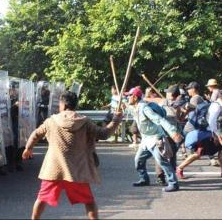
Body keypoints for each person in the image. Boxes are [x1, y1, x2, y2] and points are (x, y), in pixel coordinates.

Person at [22, 91, 121, 220]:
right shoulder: (85, 122)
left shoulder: (51, 121)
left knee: (42, 198)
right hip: (77, 170)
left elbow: (35, 134)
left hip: (54, 169)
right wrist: (116, 120)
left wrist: (28, 148)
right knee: (89, 201)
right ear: (75, 105)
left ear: (62, 105)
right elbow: (103, 134)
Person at [125, 87, 183, 192]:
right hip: (145, 140)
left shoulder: (145, 108)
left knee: (162, 161)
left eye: (129, 96)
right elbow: (125, 107)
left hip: (156, 138)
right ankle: (144, 179)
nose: (127, 97)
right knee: (138, 160)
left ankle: (174, 183)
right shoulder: (134, 107)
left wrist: (173, 132)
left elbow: (160, 120)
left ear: (134, 97)